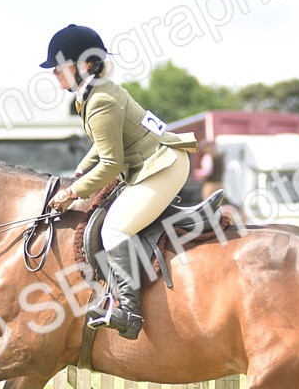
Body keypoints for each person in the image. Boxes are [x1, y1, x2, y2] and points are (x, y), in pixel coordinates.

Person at [43, 24, 196, 340]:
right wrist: (76, 175)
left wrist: (73, 192)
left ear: (84, 65)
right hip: (147, 165)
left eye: (60, 65)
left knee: (115, 228)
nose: (55, 72)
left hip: (162, 167)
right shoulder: (95, 94)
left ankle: (128, 310)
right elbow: (102, 146)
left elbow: (111, 164)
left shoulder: (101, 101)